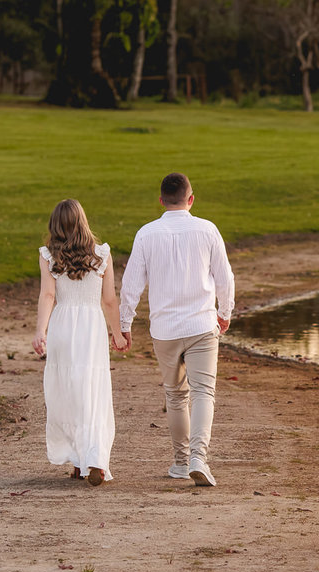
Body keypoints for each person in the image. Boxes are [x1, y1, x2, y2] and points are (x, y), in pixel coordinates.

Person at [119, 172, 234, 486]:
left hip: (165, 330)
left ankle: (181, 462)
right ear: (191, 199)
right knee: (203, 392)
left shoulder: (147, 234)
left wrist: (125, 324)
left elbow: (130, 285)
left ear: (161, 201)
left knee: (175, 395)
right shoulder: (207, 229)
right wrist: (225, 313)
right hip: (201, 325)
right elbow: (225, 278)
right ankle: (199, 457)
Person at [32, 199, 129, 486]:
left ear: (54, 226)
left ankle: (78, 460)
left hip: (63, 325)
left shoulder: (49, 256)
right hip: (91, 327)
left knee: (68, 391)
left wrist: (41, 331)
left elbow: (48, 296)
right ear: (83, 223)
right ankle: (93, 458)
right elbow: (109, 300)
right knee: (92, 391)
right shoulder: (102, 255)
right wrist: (117, 333)